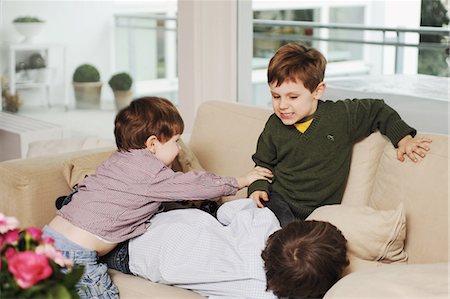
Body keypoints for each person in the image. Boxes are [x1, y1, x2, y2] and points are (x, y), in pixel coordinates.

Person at [42, 97, 272, 299]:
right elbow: (193, 184)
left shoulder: (118, 161)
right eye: (175, 142)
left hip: (49, 235)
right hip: (74, 255)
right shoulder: (151, 174)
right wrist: (239, 181)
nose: (179, 150)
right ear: (152, 144)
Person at [248, 42, 432, 227]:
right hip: (278, 201)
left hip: (319, 213)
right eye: (276, 96)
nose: (282, 106)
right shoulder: (274, 125)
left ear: (318, 91)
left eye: (293, 97)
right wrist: (257, 188)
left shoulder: (341, 115)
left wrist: (403, 138)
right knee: (273, 226)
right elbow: (263, 164)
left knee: (309, 241)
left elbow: (378, 109)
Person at [103, 198, 349, 299]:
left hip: (166, 220)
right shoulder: (258, 294)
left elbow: (226, 211)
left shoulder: (264, 224)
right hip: (136, 256)